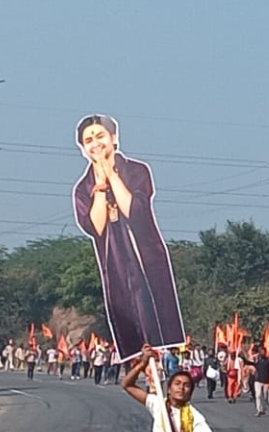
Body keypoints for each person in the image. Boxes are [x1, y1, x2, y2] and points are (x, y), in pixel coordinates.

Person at [73, 115, 185, 360]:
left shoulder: (136, 170)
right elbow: (95, 226)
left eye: (100, 136)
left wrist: (112, 175)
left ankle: (163, 370)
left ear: (114, 138)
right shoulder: (83, 188)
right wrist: (100, 185)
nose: (96, 143)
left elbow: (134, 211)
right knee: (129, 322)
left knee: (158, 317)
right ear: (82, 149)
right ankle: (140, 369)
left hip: (148, 258)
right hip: (115, 264)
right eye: (88, 140)